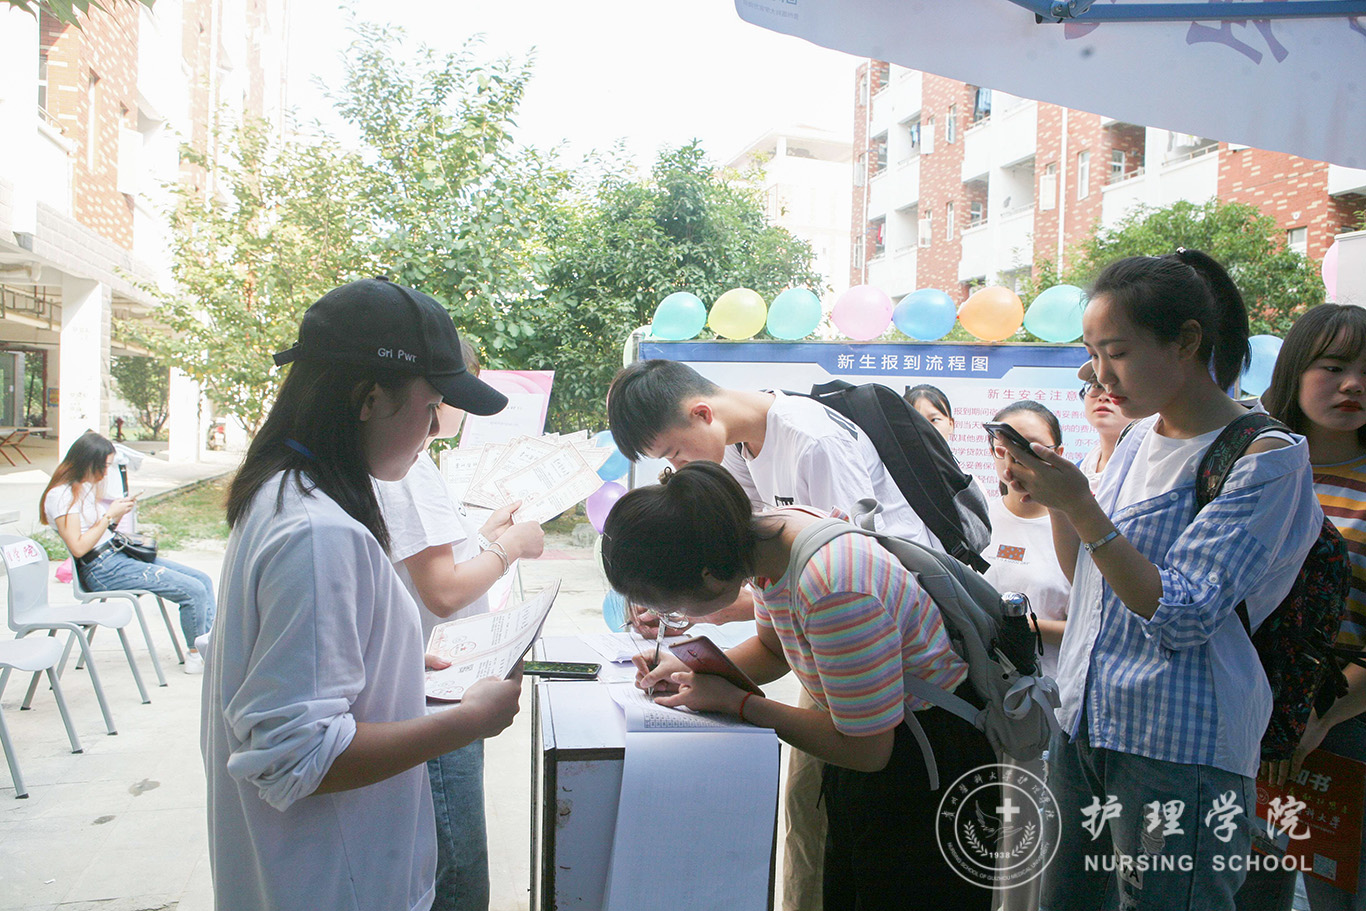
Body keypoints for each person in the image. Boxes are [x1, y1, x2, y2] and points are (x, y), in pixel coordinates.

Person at [1000, 250, 1322, 911]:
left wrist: (1082, 506)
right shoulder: (1137, 436)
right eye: (1092, 352)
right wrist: (1059, 497)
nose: (1099, 373)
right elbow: (1087, 576)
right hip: (1086, 723)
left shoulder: (1267, 455)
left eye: (1116, 351)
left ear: (1187, 341)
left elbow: (1185, 612)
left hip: (1181, 746)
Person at [202, 277, 524, 911]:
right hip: (333, 882)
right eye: (430, 407)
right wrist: (469, 720)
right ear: (370, 399)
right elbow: (294, 758)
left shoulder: (283, 492)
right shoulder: (318, 532)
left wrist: (391, 660)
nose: (431, 430)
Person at [607, 359, 948, 910]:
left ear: (710, 574)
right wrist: (695, 669)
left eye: (677, 609)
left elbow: (868, 749)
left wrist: (739, 702)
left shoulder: (832, 582)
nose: (678, 621)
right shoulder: (767, 543)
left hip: (924, 757)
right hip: (868, 712)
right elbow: (774, 647)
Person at [374, 339, 546, 911]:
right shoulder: (409, 469)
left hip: (439, 673)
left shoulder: (410, 464)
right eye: (446, 399)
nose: (449, 415)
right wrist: (511, 547)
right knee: (457, 864)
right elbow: (443, 590)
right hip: (439, 684)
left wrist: (487, 536)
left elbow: (433, 559)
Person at [1235, 303, 1366, 911]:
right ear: (1293, 371)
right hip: (1247, 718)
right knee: (1245, 894)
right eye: (1333, 367)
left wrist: (1316, 718)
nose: (1353, 385)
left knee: (1340, 898)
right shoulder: (1250, 471)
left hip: (1346, 725)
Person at [40, 430, 215, 674]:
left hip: (115, 555)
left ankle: (212, 647)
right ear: (87, 462)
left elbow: (95, 532)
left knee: (202, 580)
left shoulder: (82, 488)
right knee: (192, 590)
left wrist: (114, 517)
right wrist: (108, 516)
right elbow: (78, 548)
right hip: (101, 568)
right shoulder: (61, 495)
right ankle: (197, 655)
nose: (105, 473)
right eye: (104, 466)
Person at [981, 401, 1070, 680]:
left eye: (1029, 448)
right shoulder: (976, 522)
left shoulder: (1075, 530)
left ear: (1058, 454)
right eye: (1003, 449)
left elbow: (1091, 626)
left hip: (1052, 690)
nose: (1015, 460)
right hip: (982, 690)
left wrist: (1020, 628)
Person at [1076, 376, 1130, 491]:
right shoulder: (1078, 472)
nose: (1103, 397)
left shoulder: (1149, 466)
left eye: (1118, 386)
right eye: (1097, 386)